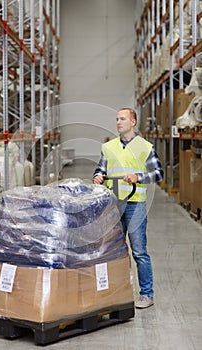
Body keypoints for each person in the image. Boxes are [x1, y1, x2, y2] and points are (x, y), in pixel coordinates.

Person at [93, 107, 163, 309]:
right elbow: (101, 169)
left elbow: (158, 173)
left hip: (135, 205)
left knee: (139, 251)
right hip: (114, 206)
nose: (118, 122)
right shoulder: (109, 147)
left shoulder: (144, 147)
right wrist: (98, 177)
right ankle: (117, 295)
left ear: (133, 122)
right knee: (114, 252)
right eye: (116, 119)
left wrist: (139, 177)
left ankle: (147, 295)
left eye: (122, 118)